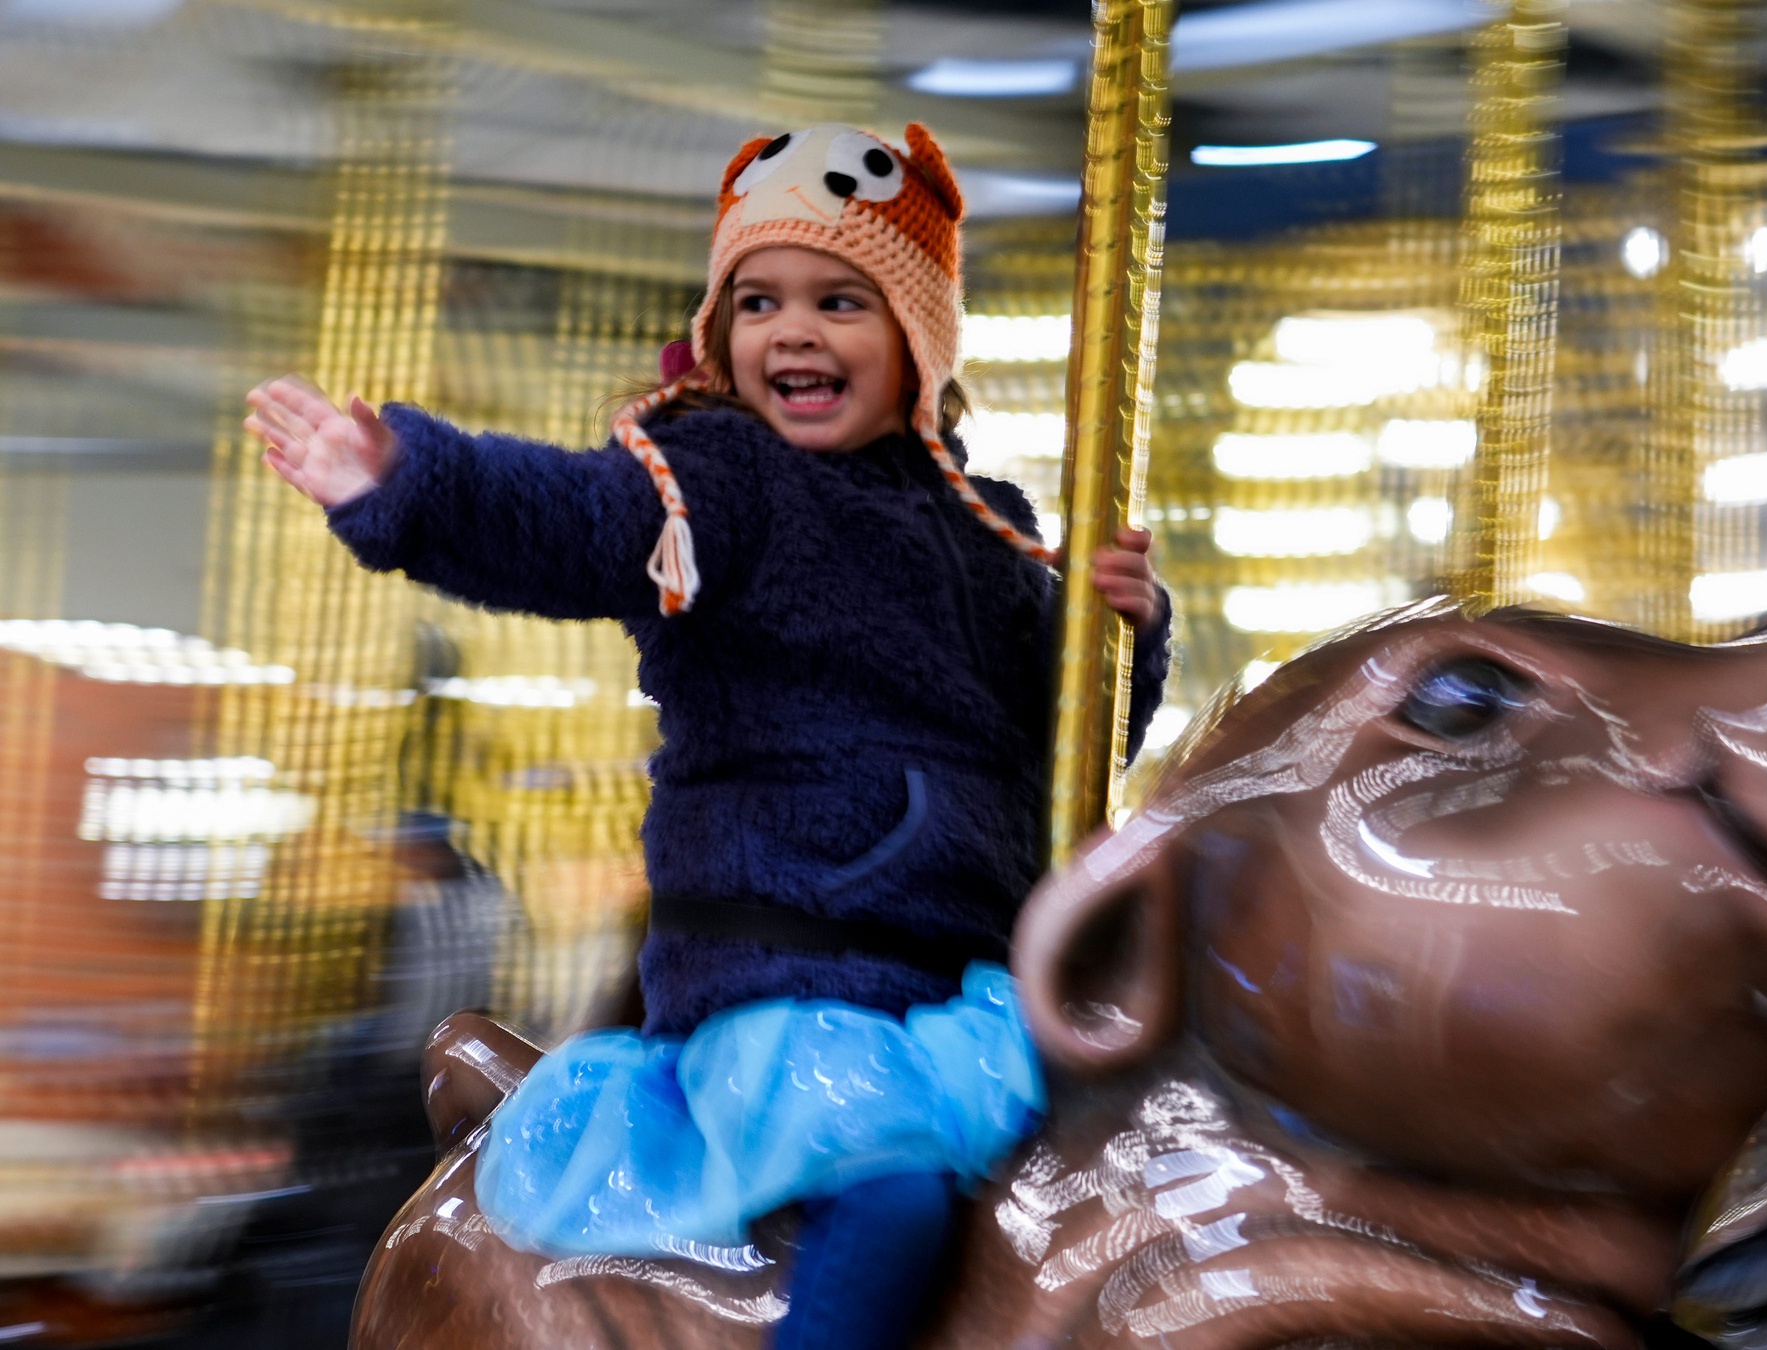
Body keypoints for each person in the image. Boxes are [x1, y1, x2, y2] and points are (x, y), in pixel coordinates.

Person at [243, 122, 1170, 1350]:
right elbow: (567, 524)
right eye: (758, 302)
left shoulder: (987, 533)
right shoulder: (722, 476)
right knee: (887, 1197)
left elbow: (1072, 741)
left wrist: (1128, 630)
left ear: (918, 342)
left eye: (841, 300)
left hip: (963, 990)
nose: (792, 331)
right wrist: (410, 482)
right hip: (790, 981)